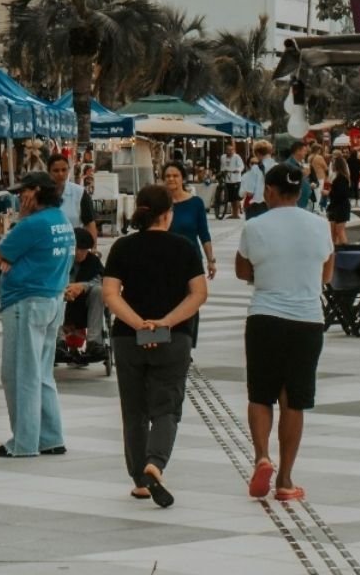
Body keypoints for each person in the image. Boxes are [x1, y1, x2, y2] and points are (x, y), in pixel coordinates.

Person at [101, 185, 208, 508]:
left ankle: (139, 480)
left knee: (133, 411)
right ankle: (155, 463)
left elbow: (110, 293)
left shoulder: (122, 247)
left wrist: (137, 322)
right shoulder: (185, 247)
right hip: (173, 338)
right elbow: (199, 293)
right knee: (166, 408)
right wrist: (166, 321)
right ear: (167, 214)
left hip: (128, 338)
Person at [236, 164, 335, 503]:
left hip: (265, 316)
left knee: (260, 394)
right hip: (307, 320)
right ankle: (286, 480)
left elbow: (241, 269)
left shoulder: (255, 225)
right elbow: (326, 275)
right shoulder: (321, 226)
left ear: (273, 191)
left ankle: (262, 456)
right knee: (295, 400)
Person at [0, 171, 74, 458]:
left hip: (25, 301)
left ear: (36, 191)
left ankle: (24, 442)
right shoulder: (60, 220)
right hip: (52, 299)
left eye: (23, 192)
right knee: (41, 373)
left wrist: (20, 220)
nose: (18, 197)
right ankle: (51, 436)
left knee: (18, 373)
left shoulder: (33, 223)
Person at [162, 162, 216, 281]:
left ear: (183, 178)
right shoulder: (159, 203)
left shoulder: (196, 203)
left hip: (191, 258)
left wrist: (210, 260)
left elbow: (204, 234)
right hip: (165, 260)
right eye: (167, 176)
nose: (171, 179)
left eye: (175, 176)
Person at [61, 227, 106, 364]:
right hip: (62, 298)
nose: (79, 253)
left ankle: (94, 343)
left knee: (99, 290)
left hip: (86, 301)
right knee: (53, 294)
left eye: (83, 250)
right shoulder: (61, 259)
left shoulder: (93, 262)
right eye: (76, 249)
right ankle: (59, 342)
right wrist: (65, 289)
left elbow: (101, 279)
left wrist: (83, 286)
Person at [47, 154, 97, 245]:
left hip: (75, 248)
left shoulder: (80, 193)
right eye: (56, 170)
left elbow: (90, 224)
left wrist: (93, 249)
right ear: (48, 172)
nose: (60, 174)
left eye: (64, 170)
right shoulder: (41, 194)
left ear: (68, 170)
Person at [326, 156, 352, 246]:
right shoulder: (335, 176)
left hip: (341, 206)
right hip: (334, 206)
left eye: (333, 164)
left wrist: (329, 193)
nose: (331, 165)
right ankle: (334, 252)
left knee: (339, 231)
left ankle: (345, 252)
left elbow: (342, 194)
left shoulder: (342, 178)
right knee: (333, 232)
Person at [285, 141, 314, 211]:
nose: (306, 153)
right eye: (304, 151)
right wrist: (301, 174)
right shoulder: (288, 164)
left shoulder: (301, 163)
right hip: (297, 203)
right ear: (298, 151)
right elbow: (287, 181)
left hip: (305, 200)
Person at [220, 142, 245, 219]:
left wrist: (238, 170)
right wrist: (222, 171)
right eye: (228, 150)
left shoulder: (237, 157)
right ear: (225, 150)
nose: (229, 151)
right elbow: (222, 166)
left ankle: (236, 214)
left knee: (236, 198)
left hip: (235, 179)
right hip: (227, 179)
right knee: (230, 197)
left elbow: (241, 166)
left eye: (231, 150)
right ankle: (233, 213)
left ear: (233, 150)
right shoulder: (223, 157)